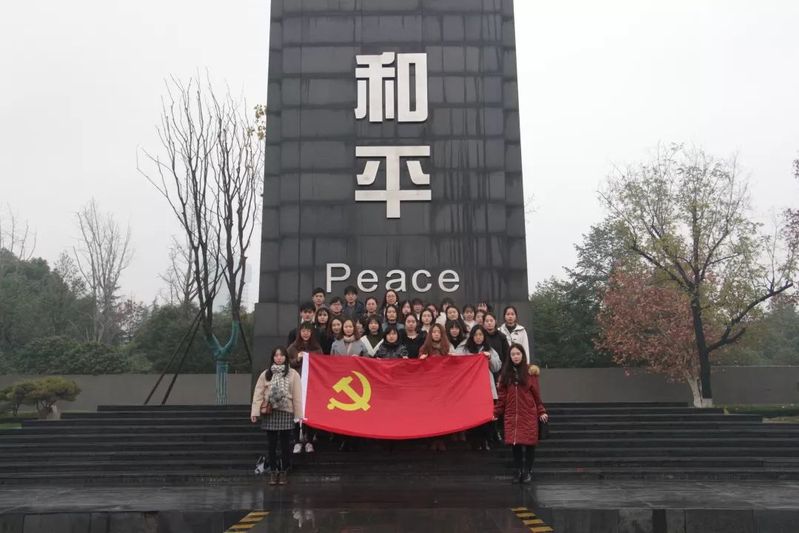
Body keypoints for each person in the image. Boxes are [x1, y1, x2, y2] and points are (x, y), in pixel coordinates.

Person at [493, 343, 547, 484]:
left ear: (522, 355)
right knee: (515, 444)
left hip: (528, 413)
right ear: (509, 357)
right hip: (512, 414)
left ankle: (527, 471)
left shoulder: (529, 372)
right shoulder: (505, 374)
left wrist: (541, 410)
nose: (515, 356)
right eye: (513, 354)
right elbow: (502, 396)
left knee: (529, 445)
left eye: (518, 354)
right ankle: (518, 471)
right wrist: (497, 412)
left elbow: (536, 393)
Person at [250, 346, 303, 486]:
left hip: (286, 411)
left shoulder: (293, 374)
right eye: (276, 355)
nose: (279, 358)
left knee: (285, 445)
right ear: (272, 358)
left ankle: (284, 471)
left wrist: (299, 415)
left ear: (286, 357)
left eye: (281, 355)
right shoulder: (266, 374)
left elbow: (297, 395)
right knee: (272, 445)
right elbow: (258, 393)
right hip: (270, 411)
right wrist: (255, 412)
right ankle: (273, 472)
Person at [455, 325, 502, 450]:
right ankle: (474, 442)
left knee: (487, 417)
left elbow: (497, 367)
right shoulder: (464, 349)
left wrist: (489, 357)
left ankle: (486, 441)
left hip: (486, 389)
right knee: (473, 416)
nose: (478, 337)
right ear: (472, 336)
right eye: (476, 335)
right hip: (470, 390)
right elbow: (456, 360)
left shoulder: (489, 349)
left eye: (481, 335)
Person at [286, 323, 320, 454]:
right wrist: (297, 359)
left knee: (310, 413)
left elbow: (322, 364)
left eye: (308, 331)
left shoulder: (317, 348)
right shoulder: (292, 348)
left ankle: (309, 441)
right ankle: (297, 441)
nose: (306, 333)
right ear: (299, 333)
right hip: (297, 385)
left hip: (312, 386)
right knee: (296, 413)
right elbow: (286, 363)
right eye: (303, 331)